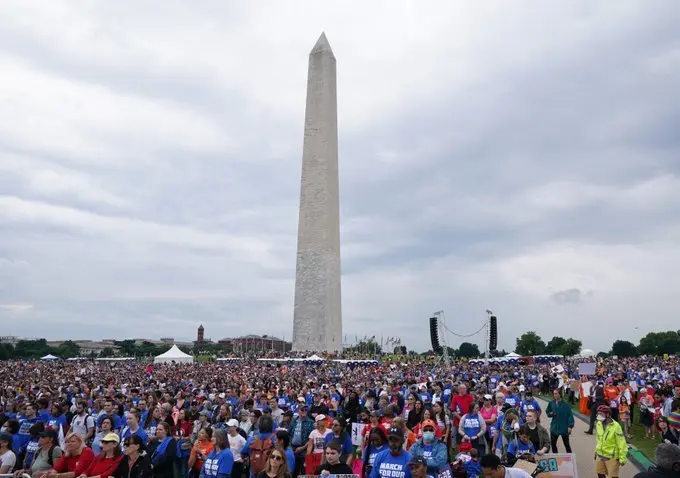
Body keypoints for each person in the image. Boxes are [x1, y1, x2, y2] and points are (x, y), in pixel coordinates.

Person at [594, 405, 627, 478]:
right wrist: (596, 451)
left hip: (611, 457)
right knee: (600, 473)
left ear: (608, 414)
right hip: (600, 455)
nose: (599, 416)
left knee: (613, 476)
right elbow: (599, 439)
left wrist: (622, 458)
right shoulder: (598, 423)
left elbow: (621, 443)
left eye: (601, 414)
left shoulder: (616, 426)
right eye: (598, 414)